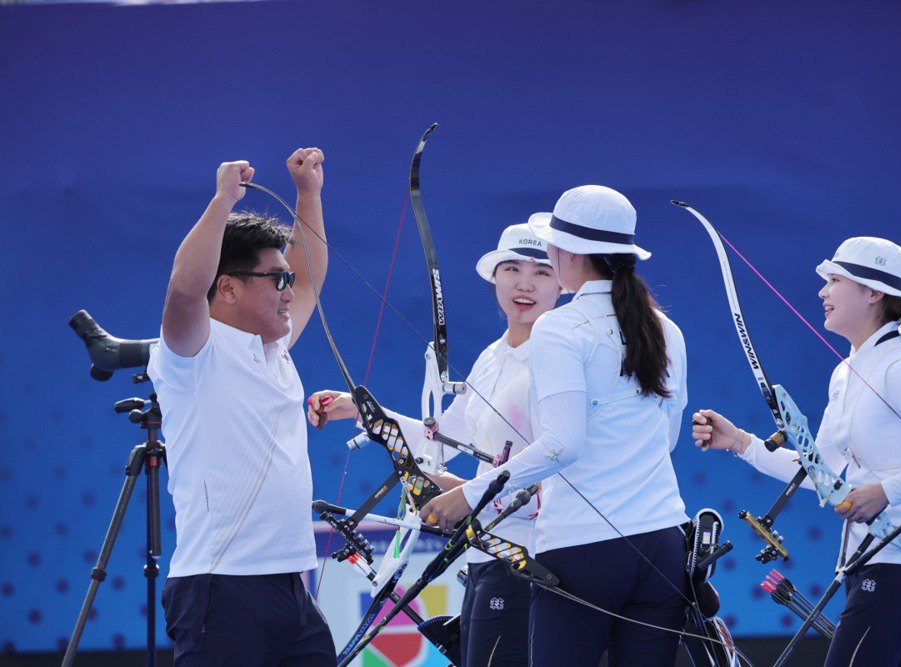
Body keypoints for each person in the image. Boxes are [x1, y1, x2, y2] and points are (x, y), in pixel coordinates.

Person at [419, 185, 691, 665]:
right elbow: (665, 438)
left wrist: (467, 495)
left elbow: (562, 445)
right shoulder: (665, 327)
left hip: (585, 549)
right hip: (664, 542)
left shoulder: (560, 327)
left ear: (564, 253)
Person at [691, 236, 901, 666]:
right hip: (867, 568)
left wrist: (887, 491)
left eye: (834, 280)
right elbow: (826, 476)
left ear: (873, 293)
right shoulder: (846, 371)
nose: (822, 291)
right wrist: (740, 442)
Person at [308, 222, 562, 666]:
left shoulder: (559, 357)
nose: (525, 283)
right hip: (486, 552)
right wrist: (364, 413)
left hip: (531, 557)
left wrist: (465, 493)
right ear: (494, 278)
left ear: (563, 281)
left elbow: (556, 456)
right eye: (513, 269)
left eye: (542, 272)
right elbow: (440, 441)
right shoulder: (491, 357)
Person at [146, 149, 337, 665]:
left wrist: (308, 195)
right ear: (227, 287)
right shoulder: (192, 352)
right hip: (221, 589)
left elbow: (309, 273)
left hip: (290, 586)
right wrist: (222, 201)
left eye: (285, 280)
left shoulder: (273, 345)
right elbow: (186, 289)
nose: (287, 289)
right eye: (275, 279)